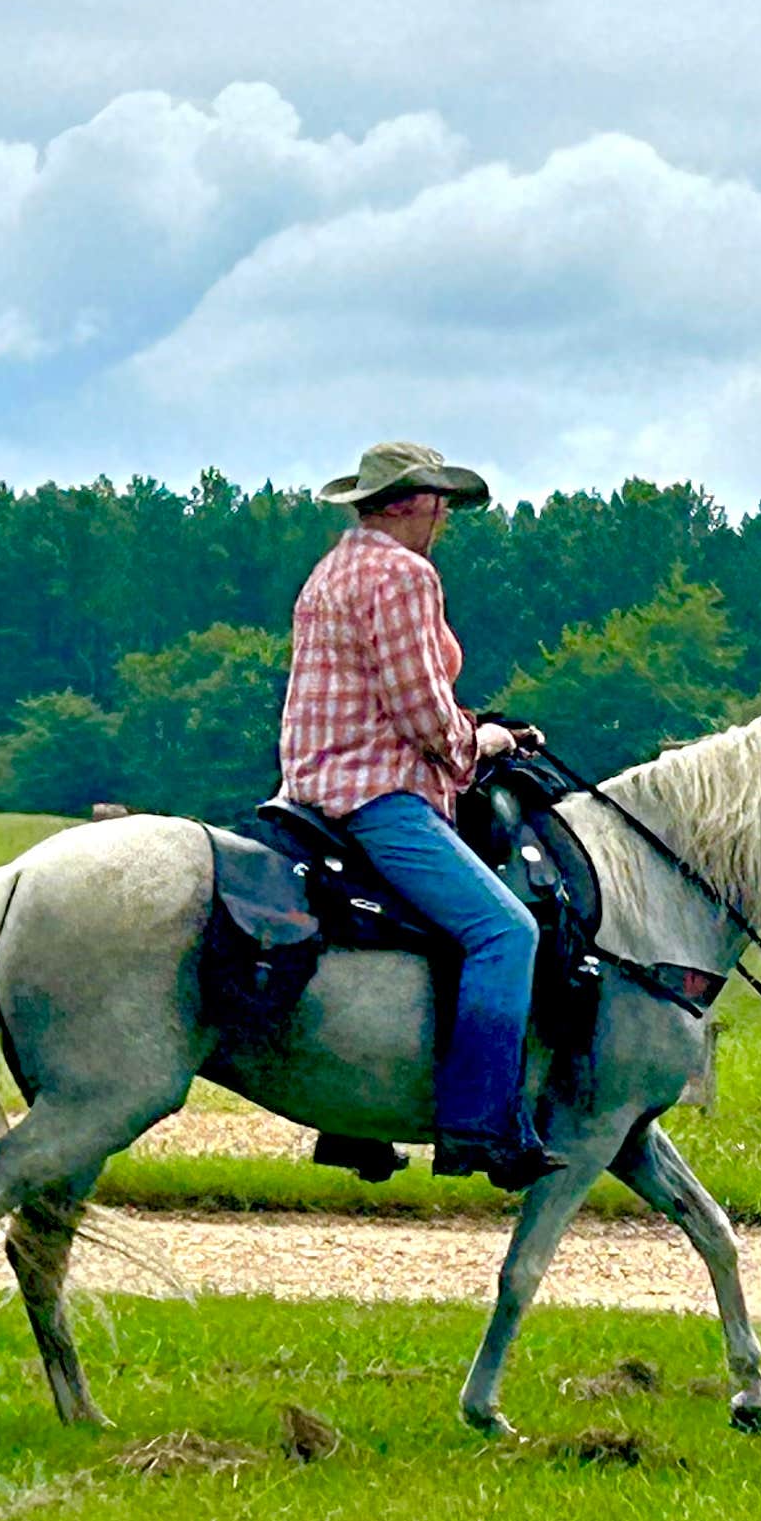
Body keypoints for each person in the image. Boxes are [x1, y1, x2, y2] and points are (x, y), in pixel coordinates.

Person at [279, 439, 551, 1185]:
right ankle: (481, 1123)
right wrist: (486, 739)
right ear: (408, 503)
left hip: (308, 791)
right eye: (439, 502)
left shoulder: (333, 567)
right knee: (506, 931)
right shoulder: (404, 575)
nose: (445, 517)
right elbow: (421, 713)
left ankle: (351, 1120)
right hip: (377, 794)